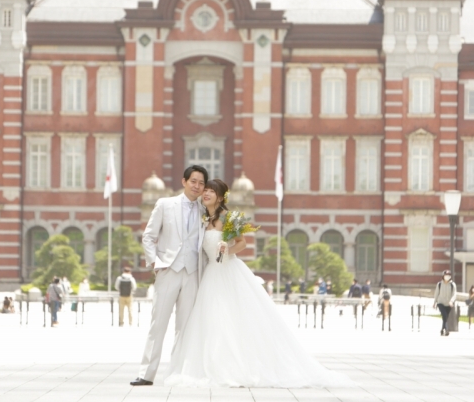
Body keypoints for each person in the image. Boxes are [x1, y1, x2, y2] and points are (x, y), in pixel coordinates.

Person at [164, 178, 347, 388]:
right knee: (211, 318)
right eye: (205, 191)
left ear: (221, 197)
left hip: (229, 271)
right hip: (210, 275)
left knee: (232, 317)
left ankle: (237, 365)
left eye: (211, 192)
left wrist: (227, 250)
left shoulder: (230, 217)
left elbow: (241, 243)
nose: (206, 194)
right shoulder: (202, 218)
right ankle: (211, 364)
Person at [131, 165, 209, 386]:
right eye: (194, 181)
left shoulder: (206, 211)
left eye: (201, 183)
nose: (197, 186)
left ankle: (177, 373)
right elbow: (148, 236)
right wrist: (155, 263)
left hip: (193, 273)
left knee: (185, 328)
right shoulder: (165, 204)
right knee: (158, 324)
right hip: (168, 271)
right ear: (184, 182)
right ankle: (146, 373)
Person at [433, 269, 456, 336]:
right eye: (446, 275)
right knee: (444, 315)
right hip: (441, 302)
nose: (447, 276)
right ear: (443, 276)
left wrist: (451, 301)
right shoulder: (439, 284)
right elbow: (436, 293)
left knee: (445, 317)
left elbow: (454, 294)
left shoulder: (452, 284)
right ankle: (446, 329)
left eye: (449, 275)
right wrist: (434, 302)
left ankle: (442, 329)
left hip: (448, 303)